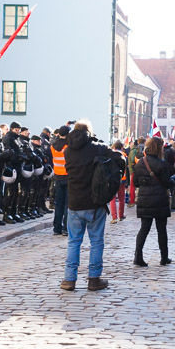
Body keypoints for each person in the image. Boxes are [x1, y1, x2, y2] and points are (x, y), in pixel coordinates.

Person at [61, 120, 125, 292]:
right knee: (96, 242)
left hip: (74, 202)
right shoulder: (98, 148)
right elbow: (120, 159)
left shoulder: (67, 151)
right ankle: (94, 279)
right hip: (95, 201)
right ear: (89, 133)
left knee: (73, 242)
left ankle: (69, 279)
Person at [132, 136, 175, 267]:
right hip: (159, 200)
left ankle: (137, 256)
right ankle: (164, 257)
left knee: (144, 229)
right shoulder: (161, 164)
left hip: (144, 199)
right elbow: (167, 183)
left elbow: (135, 183)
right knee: (161, 230)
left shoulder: (140, 163)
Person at [50, 126, 70, 235]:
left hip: (57, 176)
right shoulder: (67, 146)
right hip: (67, 176)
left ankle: (56, 228)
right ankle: (65, 228)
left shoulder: (53, 146)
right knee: (67, 204)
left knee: (59, 204)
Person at [109, 140, 128, 223]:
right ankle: (121, 215)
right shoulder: (124, 155)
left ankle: (114, 217)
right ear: (121, 147)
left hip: (112, 178)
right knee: (121, 198)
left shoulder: (110, 154)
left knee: (112, 198)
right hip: (122, 178)